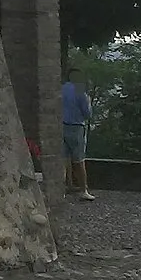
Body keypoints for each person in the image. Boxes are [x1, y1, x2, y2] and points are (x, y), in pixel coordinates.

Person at [61, 66, 96, 201]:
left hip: (61, 126)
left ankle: (61, 190)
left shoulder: (61, 88)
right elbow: (87, 113)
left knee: (63, 160)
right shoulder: (80, 90)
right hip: (76, 128)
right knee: (79, 160)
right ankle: (83, 190)